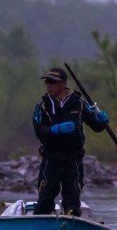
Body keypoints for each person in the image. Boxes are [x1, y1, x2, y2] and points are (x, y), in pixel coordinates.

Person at [32, 66, 109, 215]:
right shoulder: (42, 106)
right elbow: (39, 131)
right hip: (51, 157)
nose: (49, 85)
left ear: (63, 84)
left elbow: (96, 127)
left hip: (73, 158)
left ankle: (71, 223)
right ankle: (41, 224)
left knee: (73, 199)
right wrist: (55, 130)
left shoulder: (79, 104)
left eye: (52, 82)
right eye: (47, 82)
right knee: (45, 196)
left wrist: (102, 121)